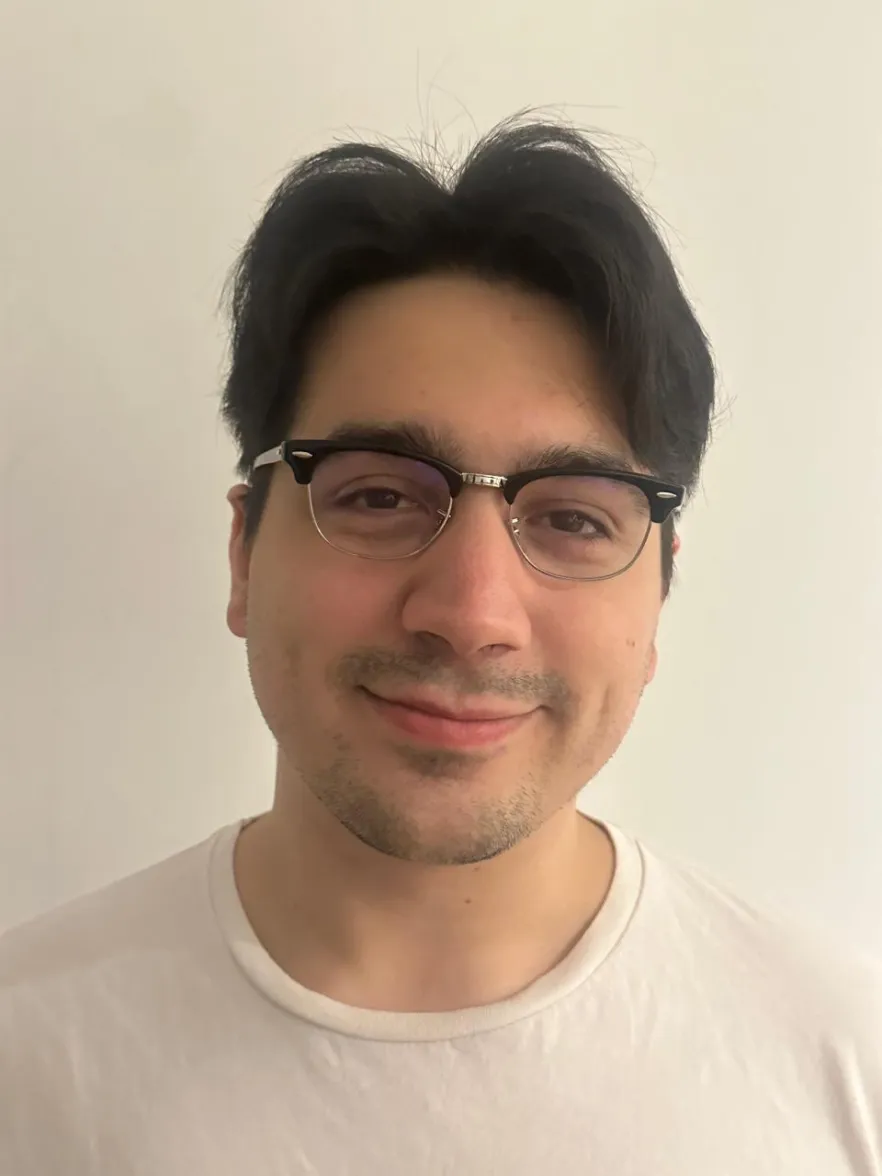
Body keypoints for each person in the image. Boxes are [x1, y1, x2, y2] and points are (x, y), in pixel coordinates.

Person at [1, 116, 880, 1175]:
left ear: (657, 597)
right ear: (244, 555)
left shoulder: (841, 1069)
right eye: (378, 496)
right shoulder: (29, 1063)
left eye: (573, 518)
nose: (471, 611)